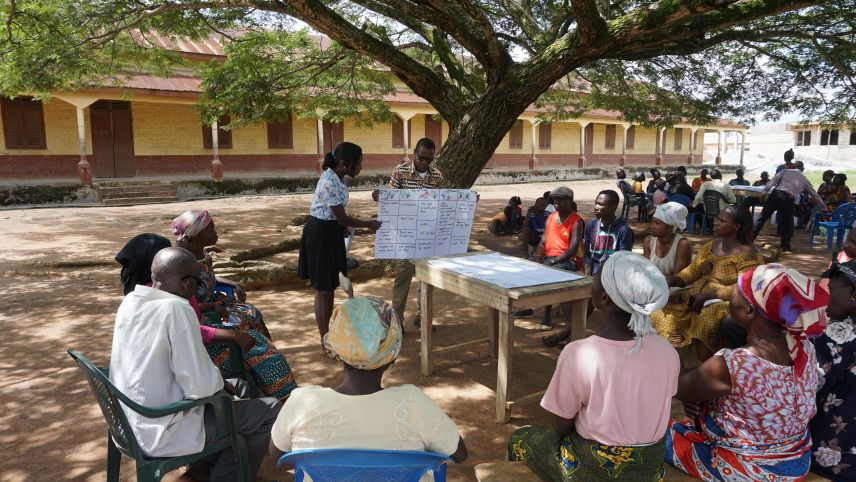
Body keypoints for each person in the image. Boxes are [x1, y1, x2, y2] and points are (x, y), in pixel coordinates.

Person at [110, 247, 282, 481]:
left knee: (238, 388)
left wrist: (218, 381)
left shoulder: (131, 301)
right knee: (270, 410)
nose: (196, 289)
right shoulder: (177, 309)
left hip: (129, 421)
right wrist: (218, 381)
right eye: (197, 282)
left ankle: (201, 472)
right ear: (185, 283)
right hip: (162, 430)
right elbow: (200, 388)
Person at [508, 252, 679, 481]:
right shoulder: (666, 350)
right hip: (649, 470)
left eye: (597, 275)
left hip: (595, 470)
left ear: (604, 297)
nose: (592, 279)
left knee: (520, 439)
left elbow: (560, 426)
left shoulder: (579, 353)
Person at [665, 263, 828, 482]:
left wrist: (685, 385)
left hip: (755, 469)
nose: (730, 296)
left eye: (735, 291)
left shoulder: (736, 364)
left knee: (656, 432)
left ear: (750, 310)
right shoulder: (804, 348)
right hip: (796, 459)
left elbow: (676, 386)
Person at [269, 296, 468, 474]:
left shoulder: (301, 403)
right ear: (392, 356)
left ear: (337, 350)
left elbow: (276, 454)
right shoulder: (414, 403)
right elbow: (459, 454)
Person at [173, 210, 298, 399]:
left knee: (252, 312)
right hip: (203, 311)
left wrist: (230, 283)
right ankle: (249, 361)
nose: (215, 233)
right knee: (239, 322)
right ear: (196, 236)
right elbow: (186, 303)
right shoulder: (183, 261)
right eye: (211, 230)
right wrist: (211, 307)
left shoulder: (202, 254)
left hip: (215, 302)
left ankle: (259, 358)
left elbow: (209, 276)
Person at [299, 142, 381, 357]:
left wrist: (343, 228)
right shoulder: (330, 181)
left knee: (329, 287)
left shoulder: (338, 178)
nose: (361, 167)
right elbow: (342, 217)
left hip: (331, 232)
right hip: (320, 235)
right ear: (345, 164)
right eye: (359, 163)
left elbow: (337, 217)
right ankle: (325, 342)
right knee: (322, 290)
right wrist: (368, 224)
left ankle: (329, 338)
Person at [652, 205, 763, 362]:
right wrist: (672, 280)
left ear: (737, 226)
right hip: (698, 294)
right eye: (717, 218)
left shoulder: (749, 255)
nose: (715, 222)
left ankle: (705, 366)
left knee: (707, 318)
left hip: (729, 301)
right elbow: (692, 271)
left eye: (722, 221)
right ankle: (667, 358)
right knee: (662, 305)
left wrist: (710, 296)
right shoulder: (710, 246)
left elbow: (743, 289)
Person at [116, 233, 254, 357]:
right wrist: (232, 335)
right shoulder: (172, 301)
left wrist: (211, 306)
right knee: (256, 347)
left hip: (194, 339)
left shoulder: (134, 298)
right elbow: (188, 332)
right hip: (198, 346)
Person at [542, 190, 633, 348]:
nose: (596, 207)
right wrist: (587, 266)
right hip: (592, 273)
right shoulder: (592, 225)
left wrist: (601, 276)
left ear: (613, 207)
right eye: (596, 203)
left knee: (594, 300)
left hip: (611, 275)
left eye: (601, 204)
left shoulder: (623, 230)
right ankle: (571, 334)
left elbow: (622, 259)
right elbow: (587, 252)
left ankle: (570, 336)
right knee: (571, 294)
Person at [372, 138, 444, 329]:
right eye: (421, 157)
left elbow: (441, 203)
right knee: (402, 279)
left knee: (427, 279)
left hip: (427, 236)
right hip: (405, 236)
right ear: (414, 153)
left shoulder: (437, 176)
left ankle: (422, 317)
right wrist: (381, 198)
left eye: (429, 159)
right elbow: (391, 199)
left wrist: (466, 201)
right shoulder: (400, 172)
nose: (425, 162)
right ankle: (397, 322)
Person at [812, 261, 856, 480]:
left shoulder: (836, 337)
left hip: (831, 457)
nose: (823, 298)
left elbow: (807, 390)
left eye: (830, 290)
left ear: (854, 293)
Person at [532, 186, 584, 331]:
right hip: (549, 257)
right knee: (527, 266)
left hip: (568, 260)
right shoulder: (551, 217)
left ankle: (548, 316)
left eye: (561, 200)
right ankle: (527, 306)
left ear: (569, 201)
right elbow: (543, 240)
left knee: (552, 273)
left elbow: (572, 249)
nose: (557, 202)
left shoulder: (577, 221)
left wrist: (553, 261)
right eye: (555, 199)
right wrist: (537, 256)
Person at [752, 159, 824, 252]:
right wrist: (823, 205)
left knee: (761, 218)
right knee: (788, 223)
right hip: (788, 199)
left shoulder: (784, 171)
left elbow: (772, 182)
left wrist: (764, 192)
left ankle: (748, 240)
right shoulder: (804, 179)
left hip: (776, 195)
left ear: (793, 166)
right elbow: (814, 194)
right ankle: (785, 246)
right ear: (803, 169)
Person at [643, 202, 692, 277]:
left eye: (657, 223)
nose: (652, 226)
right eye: (652, 222)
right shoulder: (648, 241)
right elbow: (646, 271)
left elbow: (677, 277)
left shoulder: (682, 244)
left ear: (670, 227)